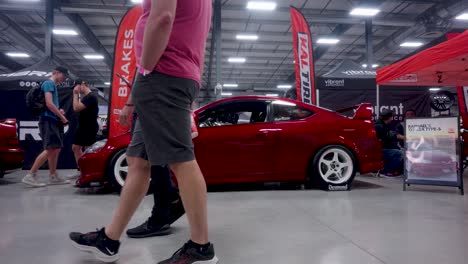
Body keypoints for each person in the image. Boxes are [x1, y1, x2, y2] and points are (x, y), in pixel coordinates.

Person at [69, 1, 216, 263]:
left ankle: (200, 248)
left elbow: (161, 19)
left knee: (181, 160)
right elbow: (196, 37)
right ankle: (109, 239)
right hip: (174, 75)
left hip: (162, 75)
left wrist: (146, 70)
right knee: (138, 162)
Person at [22, 66, 71, 187]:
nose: (64, 78)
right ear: (57, 72)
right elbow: (49, 104)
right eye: (63, 75)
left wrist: (58, 111)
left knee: (56, 148)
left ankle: (53, 176)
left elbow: (50, 104)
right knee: (50, 148)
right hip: (47, 120)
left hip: (51, 119)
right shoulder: (49, 83)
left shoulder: (52, 85)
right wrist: (62, 117)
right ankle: (30, 175)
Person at [70, 80, 99, 178]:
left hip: (89, 126)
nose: (76, 89)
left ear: (82, 85)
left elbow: (76, 108)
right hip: (83, 125)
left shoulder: (91, 97)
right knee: (76, 147)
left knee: (87, 149)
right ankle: (82, 169)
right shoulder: (87, 97)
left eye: (77, 86)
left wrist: (75, 94)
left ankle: (86, 170)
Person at [375, 109, 405, 177]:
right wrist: (402, 137)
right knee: (399, 153)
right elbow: (390, 135)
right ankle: (387, 171)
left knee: (398, 150)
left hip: (382, 148)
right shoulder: (379, 126)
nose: (392, 118)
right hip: (379, 150)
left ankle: (393, 170)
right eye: (392, 117)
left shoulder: (382, 124)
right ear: (389, 117)